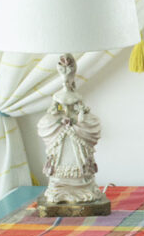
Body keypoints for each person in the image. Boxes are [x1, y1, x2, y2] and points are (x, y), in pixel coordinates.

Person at [37, 54, 103, 203]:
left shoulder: (77, 96)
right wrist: (60, 118)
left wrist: (79, 115)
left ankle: (82, 185)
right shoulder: (57, 96)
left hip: (74, 130)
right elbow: (52, 111)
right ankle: (60, 186)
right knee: (61, 156)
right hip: (63, 130)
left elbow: (82, 112)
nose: (66, 82)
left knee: (78, 156)